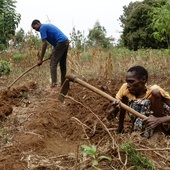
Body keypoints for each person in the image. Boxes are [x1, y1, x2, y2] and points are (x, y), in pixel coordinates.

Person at [108, 65, 170, 138]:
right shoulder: (125, 89)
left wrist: (158, 120)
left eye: (131, 81)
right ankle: (135, 130)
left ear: (143, 80)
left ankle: (158, 131)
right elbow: (110, 117)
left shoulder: (154, 91)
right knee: (125, 98)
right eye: (127, 82)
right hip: (143, 124)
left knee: (155, 94)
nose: (128, 85)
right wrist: (113, 110)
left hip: (159, 121)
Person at [31, 19, 69, 90]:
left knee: (53, 64)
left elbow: (45, 44)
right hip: (65, 41)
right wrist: (53, 52)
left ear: (38, 24)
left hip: (60, 42)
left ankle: (54, 85)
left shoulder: (42, 28)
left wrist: (41, 59)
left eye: (34, 28)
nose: (35, 30)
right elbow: (55, 38)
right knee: (62, 64)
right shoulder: (47, 26)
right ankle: (64, 84)